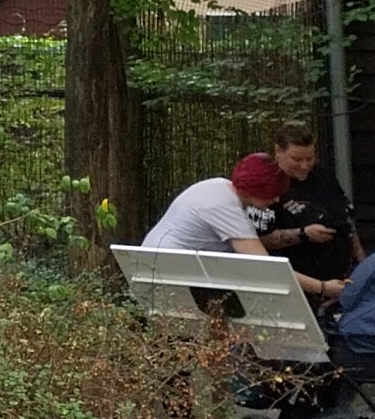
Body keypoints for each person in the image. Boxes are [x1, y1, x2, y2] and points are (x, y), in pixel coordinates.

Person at [142, 154, 346, 301]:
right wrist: (322, 287)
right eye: (272, 193)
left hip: (166, 266)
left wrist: (302, 234)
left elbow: (255, 244)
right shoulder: (223, 206)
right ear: (256, 189)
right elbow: (266, 267)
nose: (276, 199)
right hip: (166, 274)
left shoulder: (218, 187)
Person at [257, 123, 359, 284]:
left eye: (310, 158)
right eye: (296, 159)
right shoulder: (266, 186)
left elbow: (348, 222)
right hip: (296, 279)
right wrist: (303, 234)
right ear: (278, 152)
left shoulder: (323, 177)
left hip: (340, 275)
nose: (304, 165)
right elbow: (259, 240)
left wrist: (362, 262)